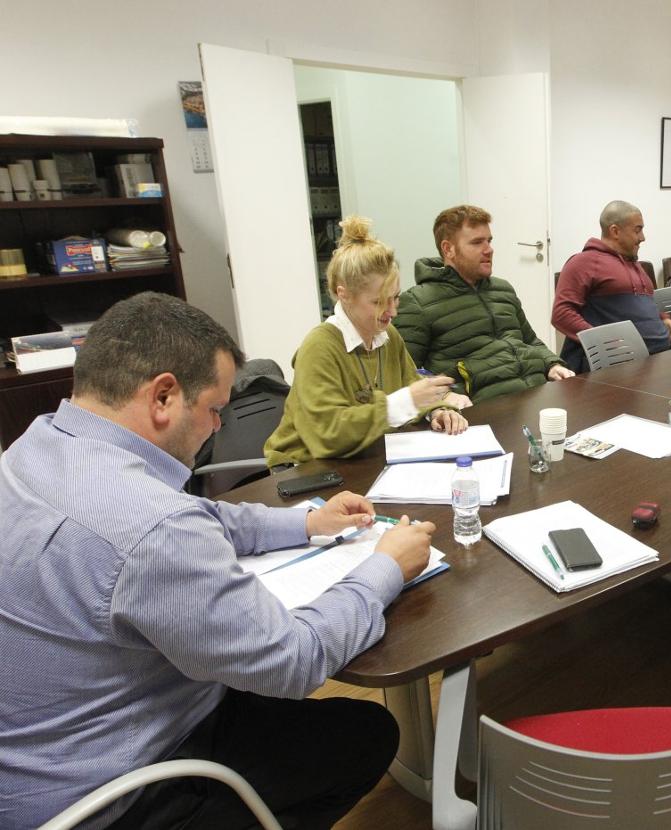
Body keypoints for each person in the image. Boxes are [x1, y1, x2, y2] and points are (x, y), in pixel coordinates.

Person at [0, 292, 437, 829]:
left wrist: (306, 522)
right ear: (163, 396)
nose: (217, 427)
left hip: (29, 764)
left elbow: (192, 513)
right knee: (367, 735)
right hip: (109, 796)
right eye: (214, 410)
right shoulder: (155, 529)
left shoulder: (34, 445)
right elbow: (293, 659)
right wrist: (385, 567)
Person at [265, 216, 468, 467]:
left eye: (396, 298)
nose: (392, 312)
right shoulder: (319, 347)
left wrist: (436, 410)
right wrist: (404, 402)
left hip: (362, 458)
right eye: (379, 302)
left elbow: (411, 384)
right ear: (344, 295)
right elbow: (328, 436)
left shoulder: (387, 335)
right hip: (305, 469)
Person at [394, 205, 574, 402]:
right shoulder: (417, 303)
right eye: (477, 242)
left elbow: (530, 341)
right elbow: (404, 374)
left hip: (536, 394)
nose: (489, 249)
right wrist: (443, 396)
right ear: (448, 249)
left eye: (489, 240)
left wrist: (552, 364)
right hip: (484, 408)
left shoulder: (502, 289)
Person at [552, 200, 671, 373]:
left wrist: (665, 319)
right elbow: (561, 314)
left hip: (657, 361)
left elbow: (639, 306)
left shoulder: (634, 264)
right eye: (638, 230)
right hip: (618, 369)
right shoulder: (583, 263)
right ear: (615, 231)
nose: (643, 237)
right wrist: (603, 343)